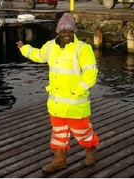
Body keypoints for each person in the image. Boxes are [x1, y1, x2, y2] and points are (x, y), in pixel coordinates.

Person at [16, 13, 99, 173]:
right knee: (59, 134)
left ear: (74, 31)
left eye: (70, 30)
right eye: (63, 30)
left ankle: (91, 150)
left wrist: (79, 90)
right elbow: (39, 55)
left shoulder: (83, 48)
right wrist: (25, 49)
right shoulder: (50, 46)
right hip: (56, 104)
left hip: (76, 103)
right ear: (58, 31)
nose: (67, 33)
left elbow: (91, 72)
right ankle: (60, 160)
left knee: (82, 132)